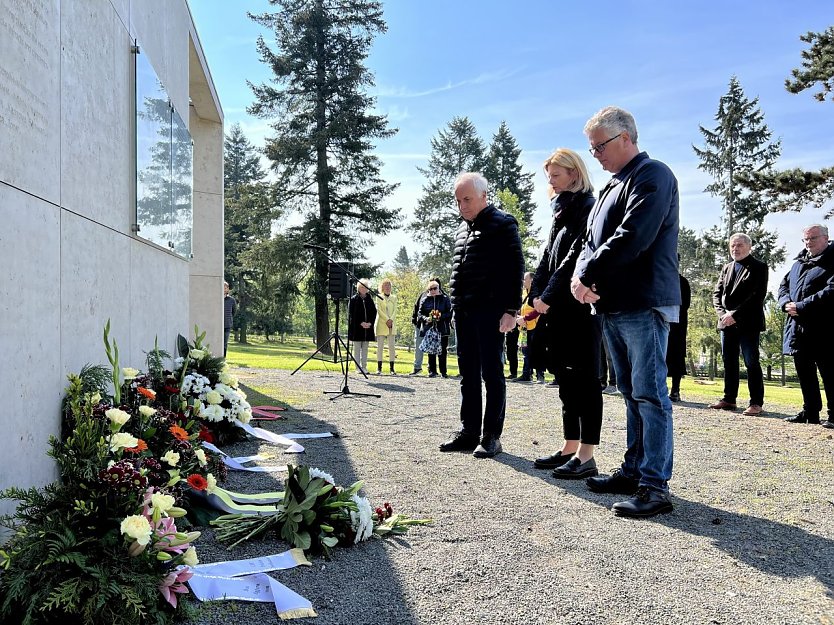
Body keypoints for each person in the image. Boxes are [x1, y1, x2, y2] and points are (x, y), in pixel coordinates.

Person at [572, 106, 680, 518]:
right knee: (630, 394)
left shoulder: (653, 175)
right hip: (612, 305)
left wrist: (588, 274)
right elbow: (589, 241)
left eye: (599, 145)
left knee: (651, 396)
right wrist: (580, 277)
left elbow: (633, 234)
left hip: (643, 301)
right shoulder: (610, 187)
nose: (595, 154)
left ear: (625, 138)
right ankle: (634, 470)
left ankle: (655, 486)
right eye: (592, 147)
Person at [528, 148, 602, 479]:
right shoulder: (560, 209)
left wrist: (547, 298)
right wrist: (532, 297)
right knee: (565, 379)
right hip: (556, 307)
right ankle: (570, 446)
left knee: (584, 380)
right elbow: (547, 257)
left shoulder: (587, 206)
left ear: (574, 174)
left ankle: (587, 455)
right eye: (549, 177)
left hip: (577, 307)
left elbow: (572, 259)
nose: (552, 183)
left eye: (556, 176)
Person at [439, 172, 524, 459]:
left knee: (492, 373)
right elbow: (459, 273)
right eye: (458, 200)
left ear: (484, 196)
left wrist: (512, 310)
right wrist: (455, 306)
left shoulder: (503, 224)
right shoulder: (462, 229)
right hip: (464, 312)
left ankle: (491, 436)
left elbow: (515, 268)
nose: (462, 205)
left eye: (467, 199)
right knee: (468, 376)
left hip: (491, 311)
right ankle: (469, 431)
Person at [778, 224, 834, 427]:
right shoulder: (798, 263)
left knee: (829, 373)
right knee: (804, 372)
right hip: (798, 328)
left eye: (813, 238)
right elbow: (783, 286)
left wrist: (801, 305)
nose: (808, 243)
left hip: (825, 329)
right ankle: (810, 412)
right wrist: (786, 304)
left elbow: (831, 291)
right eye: (805, 239)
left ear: (826, 238)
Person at [710, 233, 768, 416]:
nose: (735, 249)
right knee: (729, 362)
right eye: (732, 246)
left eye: (740, 245)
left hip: (748, 323)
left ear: (749, 247)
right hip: (726, 323)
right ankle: (729, 399)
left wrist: (735, 314)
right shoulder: (727, 268)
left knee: (751, 362)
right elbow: (716, 294)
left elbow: (757, 296)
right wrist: (723, 315)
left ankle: (756, 402)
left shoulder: (759, 267)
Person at [514, 272, 546, 383]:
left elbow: (539, 309)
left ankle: (540, 375)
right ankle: (526, 374)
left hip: (536, 326)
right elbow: (522, 307)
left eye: (524, 279)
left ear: (531, 280)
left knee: (538, 350)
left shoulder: (537, 292)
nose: (523, 282)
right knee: (525, 351)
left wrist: (525, 318)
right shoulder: (523, 293)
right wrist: (517, 316)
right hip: (524, 327)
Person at [418, 280, 453, 378]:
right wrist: (426, 319)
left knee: (442, 350)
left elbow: (450, 313)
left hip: (442, 328)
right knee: (431, 350)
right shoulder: (425, 300)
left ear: (439, 289)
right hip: (430, 328)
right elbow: (420, 314)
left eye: (435, 288)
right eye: (430, 289)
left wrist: (440, 317)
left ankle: (443, 372)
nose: (433, 290)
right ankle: (432, 371)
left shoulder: (445, 299)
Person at [667, 272, 691, 402]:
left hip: (678, 325)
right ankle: (661, 388)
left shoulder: (682, 282)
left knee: (677, 357)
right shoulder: (660, 276)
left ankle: (675, 390)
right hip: (662, 322)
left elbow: (685, 304)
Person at [348, 278, 376, 375]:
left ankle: (364, 367)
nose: (363, 289)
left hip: (367, 329)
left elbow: (374, 313)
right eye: (362, 287)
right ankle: (357, 367)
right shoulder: (354, 299)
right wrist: (361, 323)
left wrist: (370, 323)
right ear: (358, 288)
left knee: (365, 349)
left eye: (365, 287)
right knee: (356, 349)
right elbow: (352, 314)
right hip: (357, 328)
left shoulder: (370, 300)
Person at [375, 278, 397, 375]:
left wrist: (391, 319)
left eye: (389, 286)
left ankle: (392, 368)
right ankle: (379, 368)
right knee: (380, 347)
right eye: (386, 285)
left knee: (391, 347)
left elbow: (395, 310)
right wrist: (387, 319)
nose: (388, 287)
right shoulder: (378, 297)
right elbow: (379, 310)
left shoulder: (394, 298)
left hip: (391, 325)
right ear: (382, 287)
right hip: (381, 324)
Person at [223, 281, 237, 357]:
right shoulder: (217, 299)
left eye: (226, 288)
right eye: (223, 288)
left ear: (228, 289)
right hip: (218, 324)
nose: (224, 289)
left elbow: (234, 312)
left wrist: (229, 318)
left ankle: (223, 358)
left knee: (225, 343)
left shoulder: (232, 300)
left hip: (227, 325)